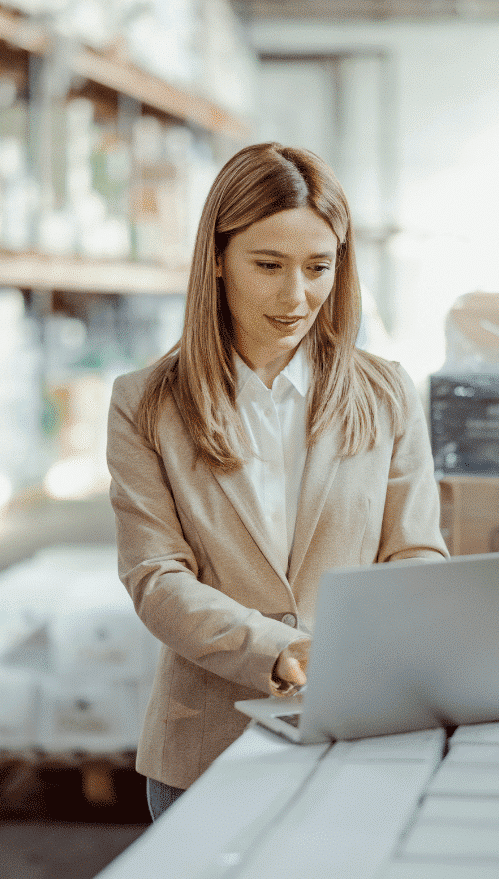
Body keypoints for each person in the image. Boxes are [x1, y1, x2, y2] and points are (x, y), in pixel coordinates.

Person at [106, 143, 448, 821]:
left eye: (318, 268)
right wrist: (283, 649)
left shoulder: (385, 393)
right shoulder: (146, 403)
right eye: (268, 265)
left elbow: (416, 555)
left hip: (357, 739)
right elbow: (156, 577)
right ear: (217, 260)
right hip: (203, 752)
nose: (297, 297)